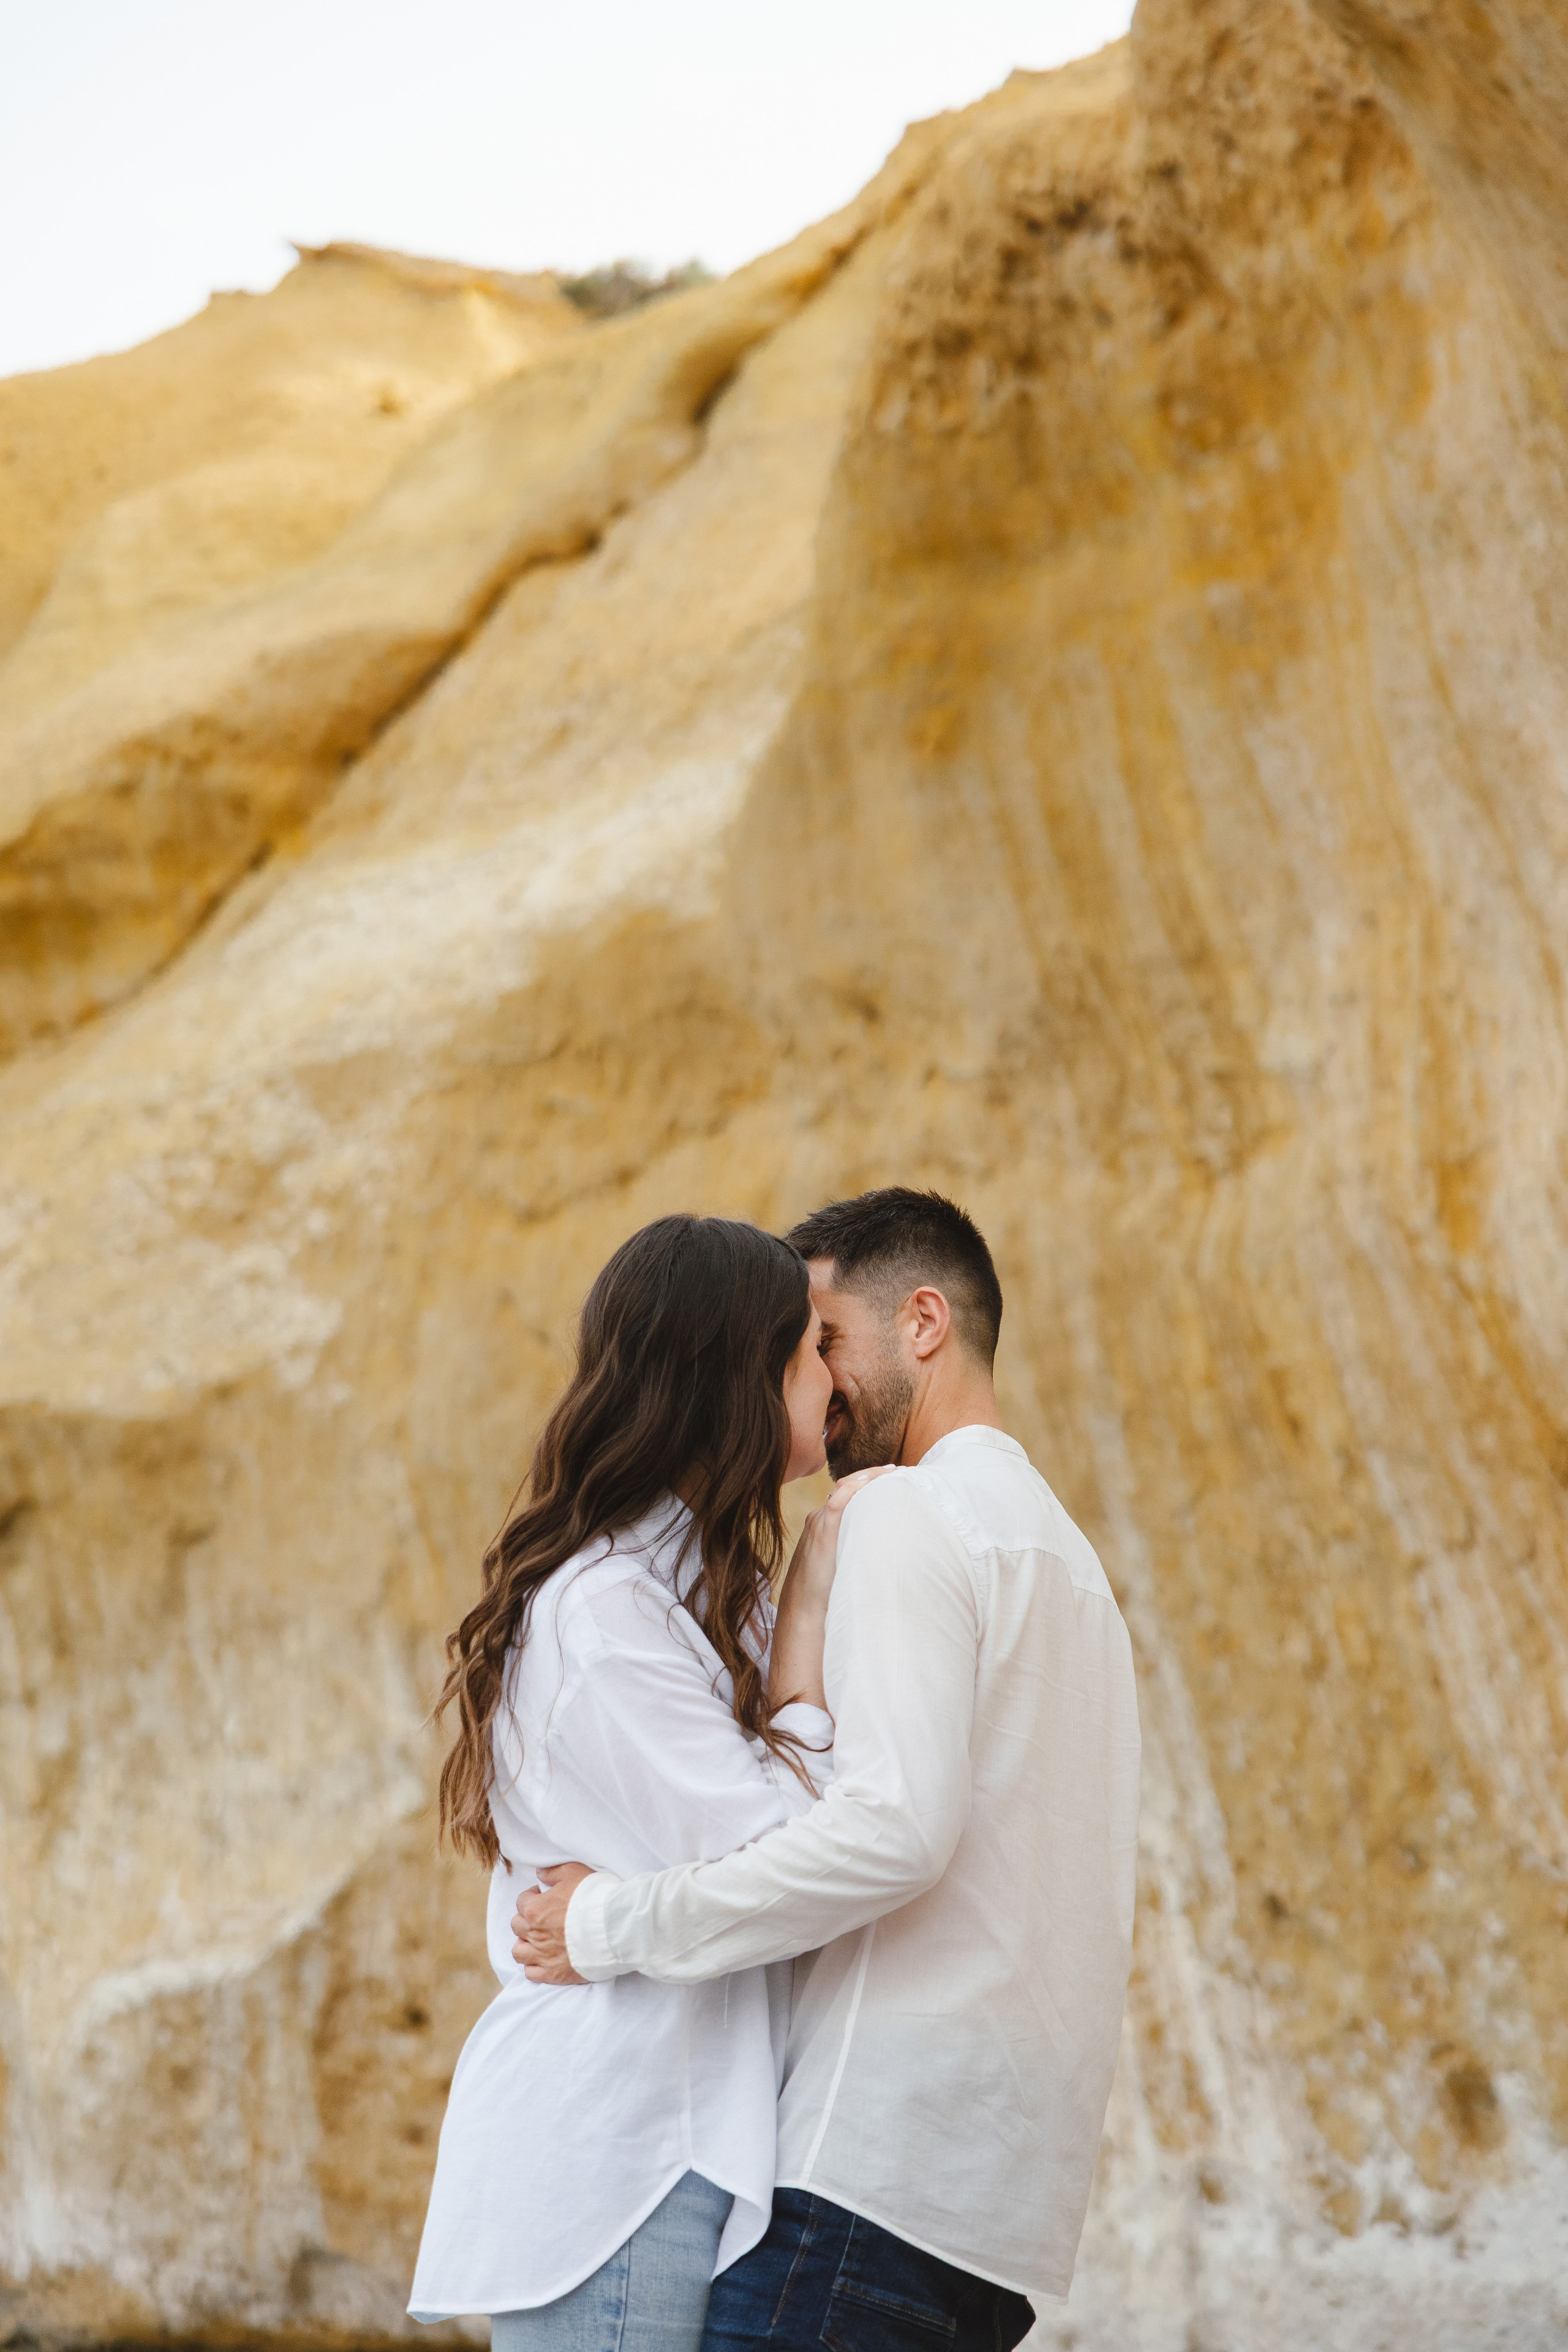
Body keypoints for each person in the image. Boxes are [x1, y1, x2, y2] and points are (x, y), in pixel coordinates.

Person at [513, 1187, 1142, 2352]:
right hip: (1006, 2223)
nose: (815, 1377)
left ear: (923, 1323)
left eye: (825, 1339)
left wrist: (608, 1928)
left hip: (870, 2174)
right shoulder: (1076, 1570)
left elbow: (895, 1829)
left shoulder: (909, 1514)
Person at [407, 1213, 886, 2351]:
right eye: (811, 1346)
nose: (834, 1375)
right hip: (617, 2154)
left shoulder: (701, 1588)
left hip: (665, 2138)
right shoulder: (610, 1609)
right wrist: (810, 1621)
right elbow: (790, 1849)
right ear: (738, 1372)